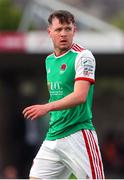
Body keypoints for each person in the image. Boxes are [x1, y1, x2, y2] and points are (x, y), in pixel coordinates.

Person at [22, 10, 104, 179]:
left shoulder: (83, 56)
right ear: (49, 32)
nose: (63, 34)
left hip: (78, 134)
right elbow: (57, 96)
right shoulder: (49, 61)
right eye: (59, 29)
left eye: (68, 29)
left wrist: (46, 107)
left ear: (75, 30)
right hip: (54, 135)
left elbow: (80, 96)